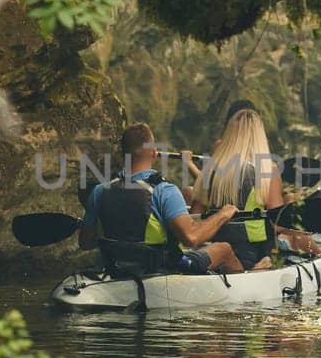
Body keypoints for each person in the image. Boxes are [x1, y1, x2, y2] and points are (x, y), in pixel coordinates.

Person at [79, 122, 243, 274]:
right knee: (224, 248)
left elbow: (85, 243)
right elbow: (191, 238)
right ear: (154, 153)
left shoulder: (99, 192)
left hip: (115, 267)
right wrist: (223, 215)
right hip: (162, 269)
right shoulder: (164, 191)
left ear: (123, 154)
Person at [189, 108, 285, 270]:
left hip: (211, 252)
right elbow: (279, 224)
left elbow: (195, 217)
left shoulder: (210, 171)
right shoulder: (268, 170)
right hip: (250, 255)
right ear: (260, 136)